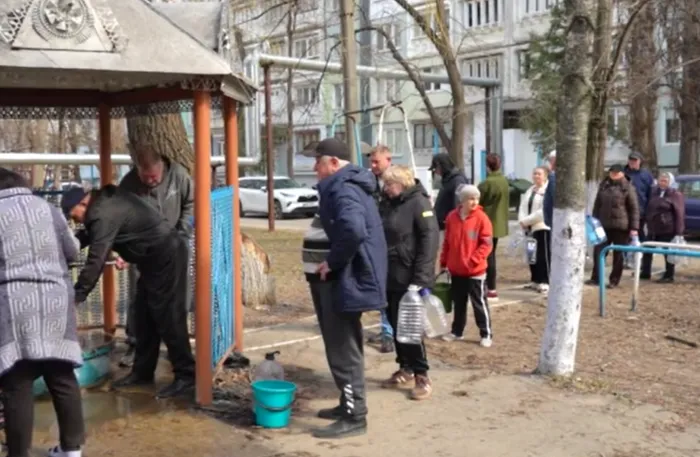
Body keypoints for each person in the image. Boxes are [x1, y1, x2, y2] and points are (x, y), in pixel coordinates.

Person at [61, 185, 195, 398]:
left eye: (73, 215)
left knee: (168, 317)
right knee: (143, 316)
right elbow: (85, 237)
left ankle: (187, 376)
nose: (75, 221)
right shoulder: (102, 206)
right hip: (153, 261)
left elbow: (96, 260)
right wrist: (61, 251)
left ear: (83, 203)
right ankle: (142, 372)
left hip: (166, 257)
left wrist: (77, 296)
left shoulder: (102, 212)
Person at [305, 138, 388, 439]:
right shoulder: (342, 185)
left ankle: (355, 416)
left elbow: (353, 230)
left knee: (343, 348)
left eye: (318, 162)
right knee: (342, 344)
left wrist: (333, 262)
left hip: (342, 280)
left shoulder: (343, 189)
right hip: (339, 280)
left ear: (333, 163)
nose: (314, 168)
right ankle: (347, 404)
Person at [0, 168, 86, 457]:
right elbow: (73, 251)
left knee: (17, 381)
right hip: (55, 302)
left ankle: (18, 453)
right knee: (61, 375)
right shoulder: (49, 210)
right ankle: (72, 449)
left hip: (13, 304)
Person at [118, 148, 194, 367]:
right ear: (138, 171)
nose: (150, 182)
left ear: (163, 167)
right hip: (143, 251)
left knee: (175, 301)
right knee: (139, 300)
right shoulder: (128, 184)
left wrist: (181, 234)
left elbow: (191, 204)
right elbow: (120, 218)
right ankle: (136, 346)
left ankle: (177, 354)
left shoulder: (179, 176)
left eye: (154, 177)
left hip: (174, 247)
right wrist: (125, 249)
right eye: (145, 178)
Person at [378, 165, 439, 400]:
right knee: (394, 323)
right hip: (390, 274)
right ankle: (405, 367)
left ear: (402, 183)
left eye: (390, 184)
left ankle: (422, 375)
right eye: (385, 184)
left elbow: (429, 239)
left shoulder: (418, 203)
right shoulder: (387, 203)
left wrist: (421, 278)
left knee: (410, 327)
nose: (386, 188)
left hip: (410, 275)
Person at [439, 184, 494, 347]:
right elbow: (447, 242)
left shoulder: (482, 218)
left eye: (476, 198)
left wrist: (474, 260)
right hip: (456, 270)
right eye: (471, 198)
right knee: (459, 303)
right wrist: (444, 262)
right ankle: (457, 331)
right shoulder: (451, 217)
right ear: (462, 200)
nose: (474, 202)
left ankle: (486, 333)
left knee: (479, 303)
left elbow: (487, 244)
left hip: (475, 271)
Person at [586, 164, 640, 288]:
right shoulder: (604, 185)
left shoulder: (628, 187)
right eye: (612, 172)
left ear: (622, 173)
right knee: (599, 251)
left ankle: (614, 280)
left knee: (618, 254)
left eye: (616, 172)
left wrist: (634, 228)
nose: (613, 174)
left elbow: (634, 209)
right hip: (603, 225)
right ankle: (596, 277)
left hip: (621, 227)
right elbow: (597, 205)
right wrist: (594, 221)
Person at [365, 145, 395, 354]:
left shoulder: (397, 181)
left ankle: (389, 333)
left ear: (388, 160)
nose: (373, 166)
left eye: (377, 162)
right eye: (371, 162)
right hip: (376, 241)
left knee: (390, 291)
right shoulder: (370, 182)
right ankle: (386, 328)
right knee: (380, 290)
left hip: (394, 244)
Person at [641, 172, 685, 283]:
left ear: (670, 182)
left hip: (667, 228)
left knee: (667, 252)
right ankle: (645, 272)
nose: (662, 183)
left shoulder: (675, 194)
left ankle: (669, 275)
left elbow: (679, 213)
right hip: (653, 227)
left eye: (665, 181)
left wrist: (679, 232)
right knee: (647, 250)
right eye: (661, 180)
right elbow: (650, 207)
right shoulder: (654, 192)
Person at [477, 154, 510, 301]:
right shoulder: (504, 181)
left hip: (486, 223)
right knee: (491, 255)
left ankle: (490, 288)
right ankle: (491, 287)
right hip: (499, 223)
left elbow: (478, 203)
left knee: (487, 256)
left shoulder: (486, 184)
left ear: (487, 166)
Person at [518, 167, 550, 294]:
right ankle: (535, 279)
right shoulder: (530, 189)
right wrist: (522, 220)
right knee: (532, 255)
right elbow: (522, 206)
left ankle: (545, 280)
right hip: (529, 228)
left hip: (541, 227)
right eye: (534, 173)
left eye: (539, 174)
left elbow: (543, 211)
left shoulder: (547, 190)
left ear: (545, 176)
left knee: (543, 256)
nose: (536, 176)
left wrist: (527, 221)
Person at [623, 152, 654, 268]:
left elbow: (650, 194)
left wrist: (648, 211)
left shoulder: (646, 175)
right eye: (631, 160)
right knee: (624, 236)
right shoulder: (623, 173)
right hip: (624, 211)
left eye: (635, 160)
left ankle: (642, 260)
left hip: (640, 212)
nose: (632, 162)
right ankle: (626, 259)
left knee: (639, 235)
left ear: (640, 161)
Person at [429, 153, 468, 244]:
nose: (436, 172)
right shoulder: (448, 179)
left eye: (435, 169)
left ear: (441, 166)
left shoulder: (457, 180)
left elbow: (458, 204)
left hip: (451, 226)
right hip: (444, 225)